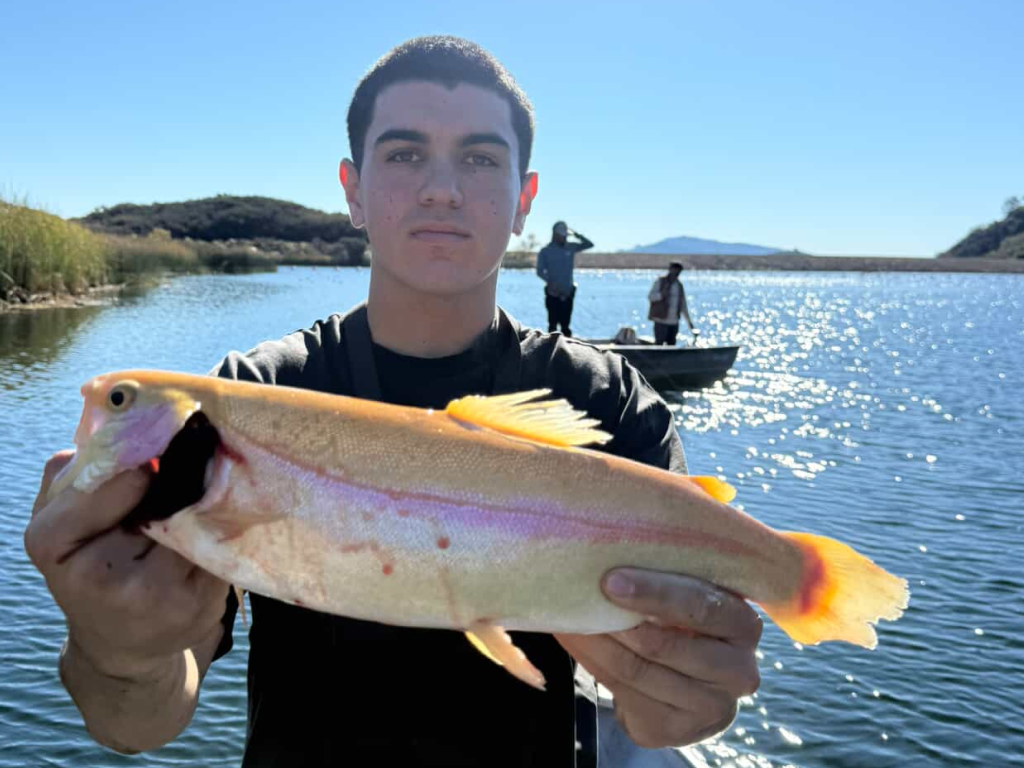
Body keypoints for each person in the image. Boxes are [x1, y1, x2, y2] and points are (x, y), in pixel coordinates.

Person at [24, 35, 761, 767]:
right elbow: (138, 726)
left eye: (479, 158)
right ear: (352, 189)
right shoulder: (255, 395)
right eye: (405, 154)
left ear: (522, 200)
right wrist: (119, 655)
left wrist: (684, 698)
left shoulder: (609, 401)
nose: (442, 187)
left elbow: (670, 704)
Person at [535, 220, 593, 336]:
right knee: (552, 326)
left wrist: (576, 234)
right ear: (555, 235)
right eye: (562, 235)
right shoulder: (546, 251)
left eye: (566, 235)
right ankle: (552, 350)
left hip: (568, 293)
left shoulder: (571, 247)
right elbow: (540, 271)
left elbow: (589, 244)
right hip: (553, 294)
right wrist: (551, 283)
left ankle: (567, 351)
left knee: (566, 327)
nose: (564, 238)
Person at [648, 261, 697, 346]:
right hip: (661, 321)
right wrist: (662, 295)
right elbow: (651, 297)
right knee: (659, 344)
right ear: (670, 270)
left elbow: (683, 306)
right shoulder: (661, 282)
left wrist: (690, 324)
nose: (676, 273)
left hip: (674, 322)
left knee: (671, 345)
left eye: (678, 271)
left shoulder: (679, 285)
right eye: (674, 270)